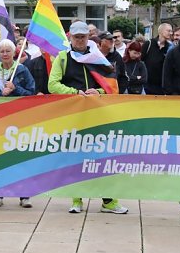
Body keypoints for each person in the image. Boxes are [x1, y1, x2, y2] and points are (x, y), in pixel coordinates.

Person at [48, 21, 128, 215]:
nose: (80, 39)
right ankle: (77, 200)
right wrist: (77, 93)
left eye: (83, 36)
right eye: (77, 36)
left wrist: (97, 91)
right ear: (70, 38)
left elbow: (113, 86)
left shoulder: (98, 57)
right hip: (74, 116)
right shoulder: (62, 58)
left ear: (88, 37)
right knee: (75, 157)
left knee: (103, 158)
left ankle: (109, 201)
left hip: (98, 116)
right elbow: (53, 85)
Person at [0, 39, 35, 208]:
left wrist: (15, 89)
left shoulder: (22, 70)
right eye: (2, 51)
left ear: (14, 53)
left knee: (20, 157)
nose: (5, 54)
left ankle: (24, 194)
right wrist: (1, 93)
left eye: (8, 51)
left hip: (19, 119)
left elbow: (32, 93)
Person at [141, 22, 172, 95]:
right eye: (168, 31)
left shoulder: (170, 47)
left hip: (162, 85)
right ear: (161, 31)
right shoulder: (148, 44)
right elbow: (141, 60)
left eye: (171, 31)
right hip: (147, 84)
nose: (171, 33)